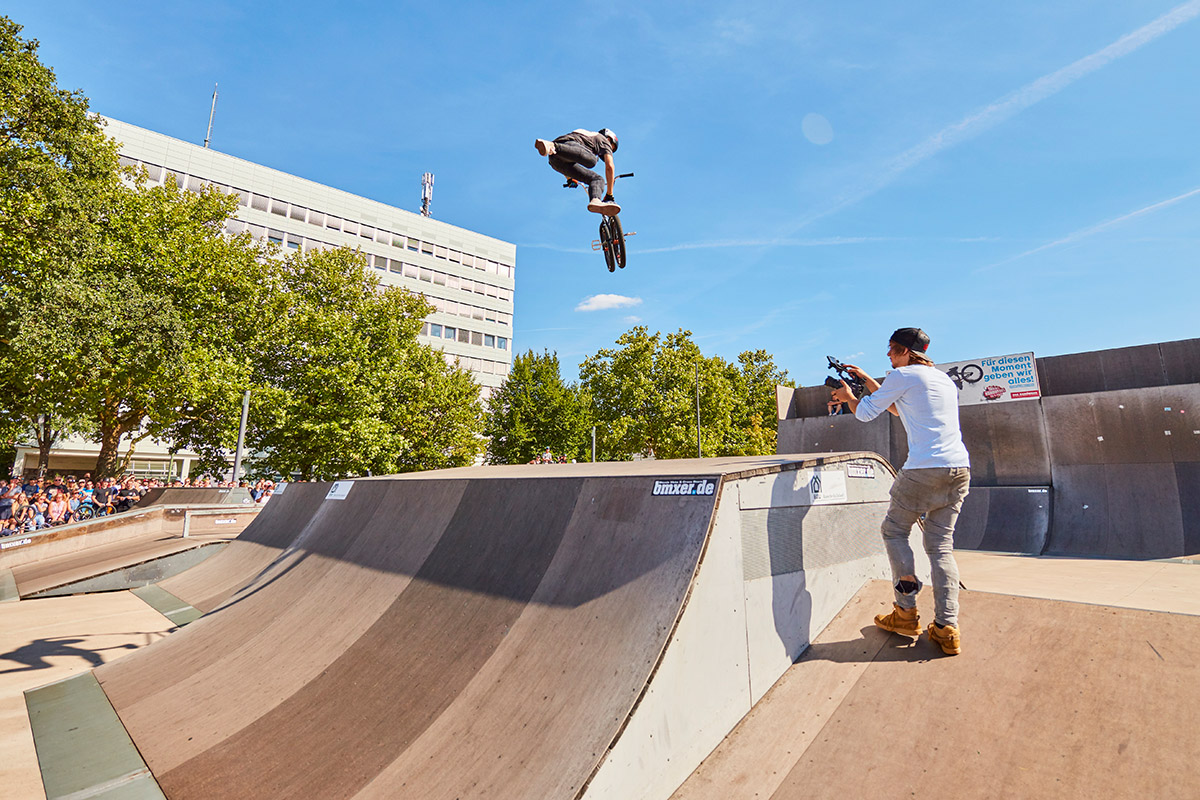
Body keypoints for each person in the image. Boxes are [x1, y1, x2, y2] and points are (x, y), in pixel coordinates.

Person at [829, 327, 970, 656]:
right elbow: (896, 408)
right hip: (959, 470)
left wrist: (849, 396)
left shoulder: (902, 375)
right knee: (940, 548)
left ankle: (905, 613)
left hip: (923, 469)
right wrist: (866, 380)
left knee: (894, 532)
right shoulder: (942, 380)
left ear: (906, 351)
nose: (889, 356)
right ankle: (947, 628)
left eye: (892, 350)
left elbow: (866, 414)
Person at [534, 129, 621, 215]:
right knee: (592, 161)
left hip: (555, 160)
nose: (609, 150)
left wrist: (569, 178)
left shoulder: (587, 136)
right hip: (568, 146)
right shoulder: (603, 140)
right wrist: (609, 195)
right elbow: (609, 166)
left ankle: (596, 200)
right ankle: (552, 146)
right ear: (609, 138)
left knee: (597, 180)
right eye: (611, 147)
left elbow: (569, 159)